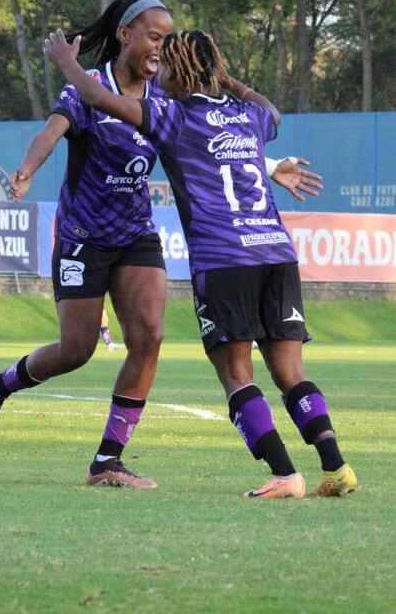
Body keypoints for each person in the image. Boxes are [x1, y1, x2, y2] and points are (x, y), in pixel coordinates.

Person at [0, 0, 320, 490]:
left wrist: (267, 166)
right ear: (127, 35)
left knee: (149, 335)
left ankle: (107, 460)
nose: (162, 47)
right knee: (76, 349)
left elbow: (206, 143)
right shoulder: (92, 87)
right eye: (155, 36)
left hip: (135, 232)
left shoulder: (168, 93)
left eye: (167, 39)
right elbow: (52, 131)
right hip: (83, 235)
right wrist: (27, 169)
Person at [45, 28, 357, 498]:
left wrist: (67, 65)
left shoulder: (173, 117)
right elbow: (274, 111)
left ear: (177, 72)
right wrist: (228, 81)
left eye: (165, 68)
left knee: (236, 374)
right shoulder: (248, 115)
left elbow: (99, 98)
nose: (159, 76)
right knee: (292, 372)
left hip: (225, 259)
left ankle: (284, 474)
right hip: (276, 253)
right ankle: (335, 468)